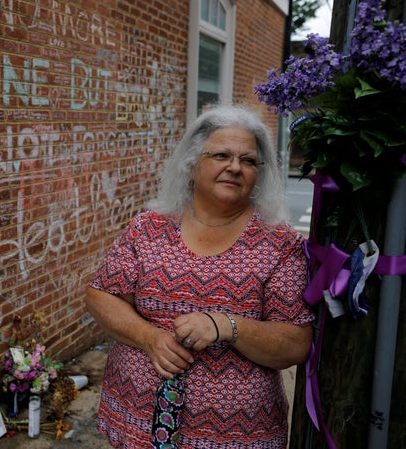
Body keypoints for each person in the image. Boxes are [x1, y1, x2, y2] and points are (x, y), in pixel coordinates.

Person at [85, 104, 314, 448]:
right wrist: (149, 337)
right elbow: (101, 294)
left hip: (236, 435)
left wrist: (226, 325)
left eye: (248, 160)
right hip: (138, 422)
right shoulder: (149, 228)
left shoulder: (280, 244)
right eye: (221, 154)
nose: (235, 167)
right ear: (192, 163)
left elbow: (295, 343)